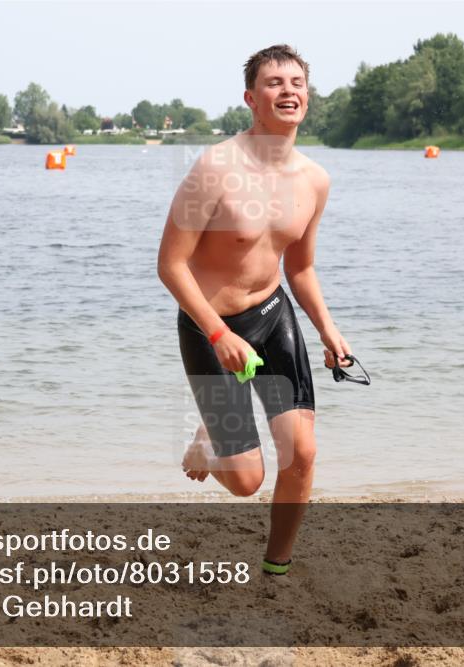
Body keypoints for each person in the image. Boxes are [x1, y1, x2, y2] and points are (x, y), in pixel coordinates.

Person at [157, 45, 352, 574]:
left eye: (296, 82)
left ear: (307, 97)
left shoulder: (315, 181)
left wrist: (330, 332)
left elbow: (301, 269)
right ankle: (208, 443)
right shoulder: (214, 168)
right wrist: (220, 334)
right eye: (273, 82)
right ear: (251, 97)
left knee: (302, 454)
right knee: (246, 482)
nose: (287, 90)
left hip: (272, 316)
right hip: (208, 327)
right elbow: (170, 265)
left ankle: (276, 569)